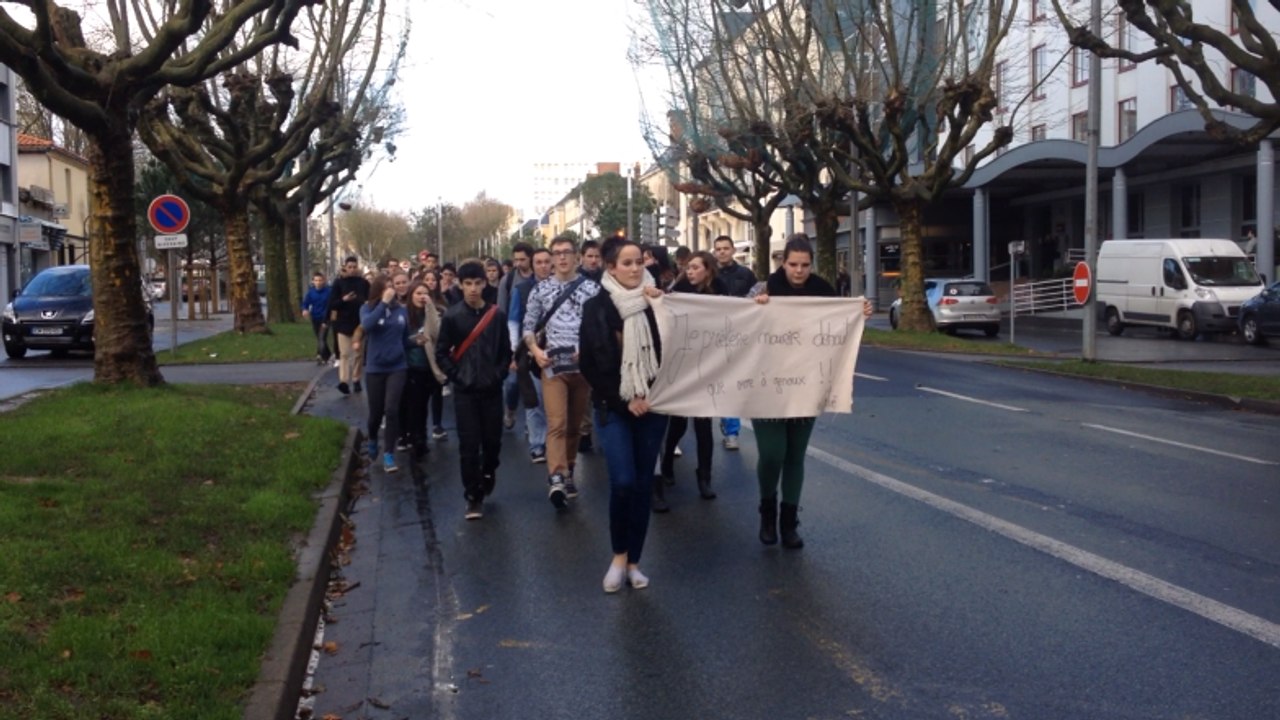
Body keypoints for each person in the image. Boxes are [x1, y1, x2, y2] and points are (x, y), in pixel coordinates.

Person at [751, 234, 873, 549]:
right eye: (793, 264)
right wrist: (755, 306)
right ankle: (767, 510)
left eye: (805, 265)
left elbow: (839, 328)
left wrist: (860, 314)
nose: (799, 271)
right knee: (772, 453)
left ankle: (789, 522)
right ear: (783, 262)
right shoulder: (765, 288)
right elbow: (740, 323)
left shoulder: (822, 291)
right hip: (768, 386)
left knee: (795, 456)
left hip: (807, 386)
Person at [580, 237, 667, 592]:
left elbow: (689, 340)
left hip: (655, 405)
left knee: (644, 484)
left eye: (639, 263)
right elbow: (590, 364)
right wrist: (624, 400)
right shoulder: (595, 307)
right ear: (610, 267)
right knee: (624, 481)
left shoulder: (658, 302)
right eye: (627, 263)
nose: (635, 269)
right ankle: (618, 556)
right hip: (614, 407)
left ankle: (635, 562)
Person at [522, 235, 600, 509]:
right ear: (551, 259)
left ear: (577, 256)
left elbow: (598, 327)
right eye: (557, 253)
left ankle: (568, 468)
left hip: (582, 367)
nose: (562, 258)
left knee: (575, 424)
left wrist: (587, 348)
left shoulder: (592, 289)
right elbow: (528, 327)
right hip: (553, 366)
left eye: (567, 252)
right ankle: (556, 476)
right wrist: (536, 351)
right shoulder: (540, 290)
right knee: (556, 422)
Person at [436, 260, 512, 520]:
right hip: (465, 392)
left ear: (484, 284)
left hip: (491, 390)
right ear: (460, 285)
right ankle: (473, 496)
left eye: (477, 283)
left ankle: (489, 470)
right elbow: (441, 353)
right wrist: (458, 377)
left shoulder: (497, 316)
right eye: (467, 284)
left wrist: (498, 375)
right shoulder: (452, 316)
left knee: (492, 442)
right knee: (469, 445)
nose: (472, 289)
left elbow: (505, 352)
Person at [656, 250, 727, 510]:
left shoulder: (721, 291)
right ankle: (665, 465)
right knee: (678, 422)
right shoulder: (679, 290)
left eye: (696, 267)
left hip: (708, 364)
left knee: (704, 424)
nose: (691, 271)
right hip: (684, 364)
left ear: (708, 270)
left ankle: (705, 477)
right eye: (689, 267)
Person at [360, 274, 412, 474]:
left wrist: (417, 341)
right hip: (375, 368)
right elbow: (367, 326)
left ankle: (389, 453)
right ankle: (372, 437)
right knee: (376, 413)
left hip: (397, 367)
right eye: (387, 287)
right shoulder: (367, 308)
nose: (392, 290)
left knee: (392, 410)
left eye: (393, 286)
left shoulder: (402, 311)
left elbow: (405, 339)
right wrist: (383, 303)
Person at [711, 235, 757, 449]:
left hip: (741, 335)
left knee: (736, 383)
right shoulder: (709, 274)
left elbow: (756, 299)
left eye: (725, 248)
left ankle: (732, 429)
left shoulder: (745, 274)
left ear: (732, 250)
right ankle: (729, 426)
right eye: (718, 249)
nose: (722, 252)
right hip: (715, 336)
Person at [510, 247, 552, 463]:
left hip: (557, 351)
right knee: (533, 398)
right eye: (539, 262)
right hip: (529, 350)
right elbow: (514, 320)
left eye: (547, 261)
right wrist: (513, 352)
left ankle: (555, 442)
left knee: (553, 401)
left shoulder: (563, 287)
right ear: (533, 265)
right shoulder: (522, 289)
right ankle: (538, 444)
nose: (543, 266)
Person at [402, 280, 447, 461]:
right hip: (411, 366)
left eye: (425, 293)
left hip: (431, 365)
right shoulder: (404, 314)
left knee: (428, 403)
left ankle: (424, 435)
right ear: (411, 295)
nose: (422, 297)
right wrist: (413, 341)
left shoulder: (433, 312)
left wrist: (430, 309)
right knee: (415, 406)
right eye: (418, 294)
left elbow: (438, 333)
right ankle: (415, 438)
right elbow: (399, 339)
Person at [498, 243, 535, 430]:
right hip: (515, 339)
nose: (519, 263)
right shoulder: (509, 279)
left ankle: (533, 424)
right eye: (516, 259)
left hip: (537, 339)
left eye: (523, 259)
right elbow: (502, 311)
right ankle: (511, 409)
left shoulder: (540, 278)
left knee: (535, 384)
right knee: (512, 383)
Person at [327, 256, 371, 395]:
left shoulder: (363, 283)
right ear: (345, 267)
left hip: (359, 323)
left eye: (354, 266)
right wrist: (343, 300)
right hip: (343, 323)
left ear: (357, 267)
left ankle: (356, 378)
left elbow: (370, 300)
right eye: (349, 267)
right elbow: (332, 304)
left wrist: (365, 303)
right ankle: (344, 381)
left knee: (358, 354)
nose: (352, 269)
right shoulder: (339, 283)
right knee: (345, 354)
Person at [301, 271, 332, 364]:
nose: (318, 282)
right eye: (316, 280)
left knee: (322, 337)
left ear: (324, 281)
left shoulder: (328, 292)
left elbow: (332, 304)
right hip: (315, 317)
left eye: (320, 280)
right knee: (319, 337)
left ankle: (320, 355)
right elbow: (305, 303)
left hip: (325, 318)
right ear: (313, 282)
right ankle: (328, 355)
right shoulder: (311, 293)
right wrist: (304, 309)